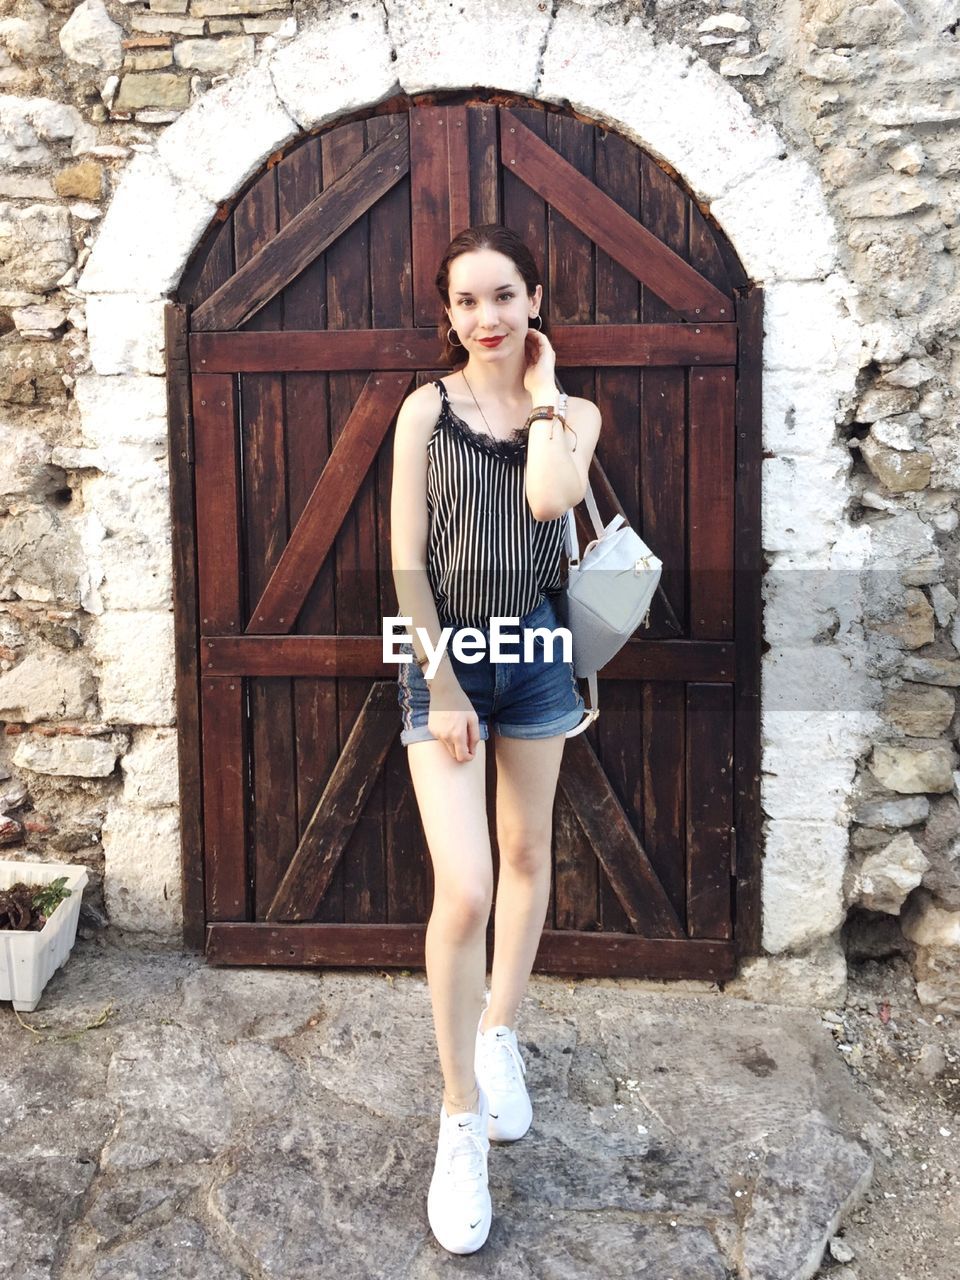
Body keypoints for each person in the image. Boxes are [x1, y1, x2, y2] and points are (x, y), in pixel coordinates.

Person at [388, 224, 602, 1254]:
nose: (486, 318)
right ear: (446, 313)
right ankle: (458, 1115)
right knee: (465, 886)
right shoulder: (423, 411)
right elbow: (403, 556)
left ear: (534, 297)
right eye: (467, 301)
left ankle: (500, 1028)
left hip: (541, 656)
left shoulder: (575, 414)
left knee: (525, 856)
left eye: (504, 296)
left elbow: (548, 498)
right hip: (448, 663)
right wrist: (439, 676)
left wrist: (548, 388)